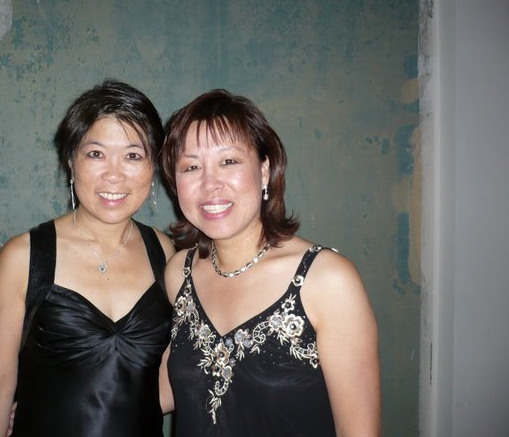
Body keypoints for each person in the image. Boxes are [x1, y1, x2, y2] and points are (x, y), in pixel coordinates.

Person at [158, 89, 381, 436]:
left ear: (264, 171)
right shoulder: (179, 274)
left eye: (228, 161)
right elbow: (166, 391)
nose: (210, 183)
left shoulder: (326, 281)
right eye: (191, 167)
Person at [0, 80, 176, 437]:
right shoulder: (22, 258)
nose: (114, 174)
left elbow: (164, 378)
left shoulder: (165, 252)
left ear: (152, 165)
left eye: (133, 155)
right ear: (70, 161)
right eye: (96, 154)